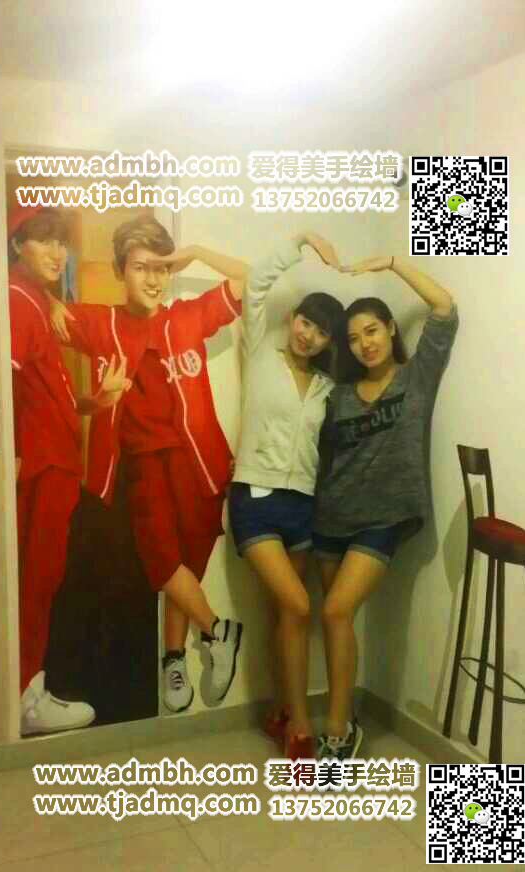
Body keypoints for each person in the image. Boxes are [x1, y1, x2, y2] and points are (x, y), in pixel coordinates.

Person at [50, 214, 247, 713]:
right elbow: (32, 313)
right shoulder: (102, 323)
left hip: (201, 463)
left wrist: (196, 251)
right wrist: (48, 298)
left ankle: (174, 658)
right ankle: (218, 632)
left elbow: (251, 279)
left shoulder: (187, 317)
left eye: (161, 268)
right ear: (121, 271)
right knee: (160, 558)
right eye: (141, 267)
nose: (154, 279)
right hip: (142, 464)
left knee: (186, 567)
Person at [313, 255, 458, 761]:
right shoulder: (339, 395)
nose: (365, 344)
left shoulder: (417, 376)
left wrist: (394, 262)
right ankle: (346, 716)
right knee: (336, 621)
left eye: (372, 331)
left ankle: (337, 731)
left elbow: (444, 307)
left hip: (385, 518)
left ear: (391, 328)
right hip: (331, 515)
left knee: (335, 610)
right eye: (354, 338)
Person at [8, 203, 125, 735]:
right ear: (17, 245)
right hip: (38, 465)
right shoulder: (16, 299)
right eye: (44, 240)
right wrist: (9, 455)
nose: (58, 252)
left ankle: (26, 689)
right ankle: (23, 700)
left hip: (52, 460)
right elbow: (1, 384)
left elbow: (43, 391)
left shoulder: (34, 298)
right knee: (35, 580)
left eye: (62, 242)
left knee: (42, 577)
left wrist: (94, 403)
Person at [228, 233, 344, 760]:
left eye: (320, 332)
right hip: (255, 499)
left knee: (286, 614)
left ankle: (279, 709)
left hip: (303, 506)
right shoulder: (260, 353)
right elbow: (254, 284)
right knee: (299, 606)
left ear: (327, 342)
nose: (308, 335)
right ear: (292, 318)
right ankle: (299, 726)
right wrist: (300, 241)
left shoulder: (326, 387)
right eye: (305, 322)